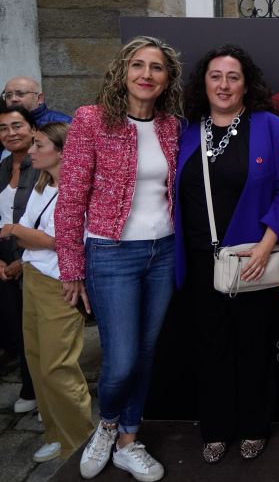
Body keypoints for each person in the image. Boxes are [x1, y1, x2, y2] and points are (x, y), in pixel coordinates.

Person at [54, 35, 183, 481]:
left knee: (146, 354)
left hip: (163, 251)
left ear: (168, 79)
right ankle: (107, 425)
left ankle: (129, 438)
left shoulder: (172, 125)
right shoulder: (91, 120)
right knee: (122, 358)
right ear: (123, 73)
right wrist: (71, 266)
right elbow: (70, 198)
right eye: (138, 66)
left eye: (157, 68)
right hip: (110, 253)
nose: (147, 74)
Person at [175, 44, 279, 463]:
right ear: (202, 83)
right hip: (198, 260)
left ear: (247, 85)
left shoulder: (273, 129)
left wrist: (266, 243)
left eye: (233, 77)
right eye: (215, 76)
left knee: (254, 346)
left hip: (252, 257)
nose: (223, 85)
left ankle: (254, 427)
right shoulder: (183, 133)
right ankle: (216, 429)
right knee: (210, 348)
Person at [1, 122, 94, 463]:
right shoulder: (41, 184)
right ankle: (57, 434)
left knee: (59, 367)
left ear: (62, 150)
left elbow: (61, 241)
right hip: (34, 277)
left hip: (59, 284)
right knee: (38, 362)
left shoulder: (77, 188)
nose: (31, 151)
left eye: (39, 145)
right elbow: (31, 232)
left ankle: (80, 443)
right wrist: (22, 232)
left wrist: (15, 230)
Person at [0, 106, 40, 414]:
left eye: (17, 125)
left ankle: (42, 392)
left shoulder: (43, 168)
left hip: (34, 257)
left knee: (38, 330)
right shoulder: (1, 169)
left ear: (31, 128)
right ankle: (29, 387)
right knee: (15, 326)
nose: (11, 133)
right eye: (4, 128)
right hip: (4, 260)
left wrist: (21, 261)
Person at [2, 77, 73, 126]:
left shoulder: (64, 123)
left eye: (20, 94)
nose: (13, 99)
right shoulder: (3, 123)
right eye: (8, 95)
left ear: (39, 98)